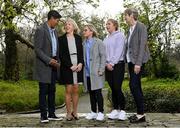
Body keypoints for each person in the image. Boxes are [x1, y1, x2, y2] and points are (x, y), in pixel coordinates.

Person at [34, 10, 62, 123]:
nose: (57, 22)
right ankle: (43, 116)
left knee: (52, 90)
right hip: (44, 65)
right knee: (43, 91)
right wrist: (49, 61)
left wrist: (56, 61)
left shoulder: (55, 32)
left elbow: (55, 49)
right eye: (57, 20)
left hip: (54, 64)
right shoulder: (40, 30)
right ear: (51, 18)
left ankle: (51, 114)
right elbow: (38, 50)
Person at [124, 8, 150, 123]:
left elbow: (142, 46)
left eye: (125, 15)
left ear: (131, 15)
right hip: (131, 62)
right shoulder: (129, 29)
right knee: (137, 86)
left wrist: (138, 63)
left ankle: (141, 114)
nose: (124, 18)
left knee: (133, 86)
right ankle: (140, 114)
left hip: (138, 62)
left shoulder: (141, 27)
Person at [59, 18, 83, 121]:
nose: (67, 26)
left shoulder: (78, 38)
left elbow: (81, 52)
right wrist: (70, 65)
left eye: (69, 24)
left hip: (77, 66)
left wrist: (81, 63)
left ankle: (75, 112)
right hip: (67, 66)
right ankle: (68, 113)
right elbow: (61, 55)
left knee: (76, 89)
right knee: (68, 89)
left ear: (73, 26)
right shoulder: (61, 39)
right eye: (66, 24)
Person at [103, 19, 127, 120]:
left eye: (109, 24)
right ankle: (115, 110)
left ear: (115, 25)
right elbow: (103, 53)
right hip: (108, 66)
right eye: (106, 24)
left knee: (117, 87)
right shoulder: (106, 38)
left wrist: (112, 63)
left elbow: (119, 51)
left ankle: (122, 110)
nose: (107, 26)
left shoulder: (120, 36)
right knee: (112, 88)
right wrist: (106, 64)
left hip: (118, 65)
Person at [82, 24, 106, 121]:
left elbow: (103, 56)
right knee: (91, 93)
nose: (84, 32)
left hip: (97, 71)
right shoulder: (84, 43)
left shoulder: (99, 42)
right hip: (87, 72)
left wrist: (101, 69)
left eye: (86, 30)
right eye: (84, 30)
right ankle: (93, 112)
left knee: (98, 92)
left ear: (91, 31)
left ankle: (101, 112)